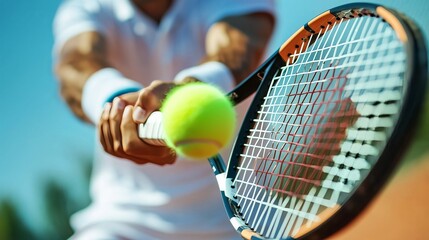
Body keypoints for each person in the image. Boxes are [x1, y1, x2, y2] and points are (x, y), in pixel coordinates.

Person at [53, 0, 275, 239]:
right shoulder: (84, 7)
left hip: (247, 217)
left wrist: (188, 93)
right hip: (124, 222)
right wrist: (118, 103)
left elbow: (238, 46)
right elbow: (74, 65)